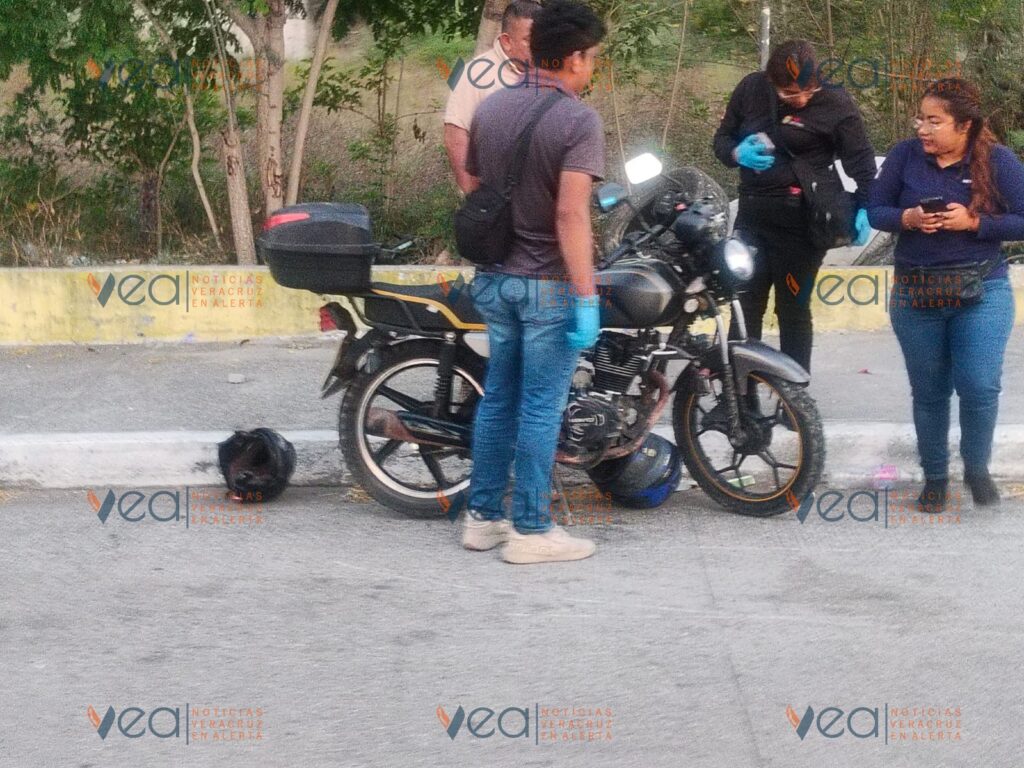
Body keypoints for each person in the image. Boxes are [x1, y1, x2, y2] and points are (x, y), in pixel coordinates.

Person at [459, 0, 606, 564]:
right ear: (573, 57)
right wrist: (587, 296)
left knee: (499, 399)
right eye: (592, 58)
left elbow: (476, 183)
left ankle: (483, 519)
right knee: (541, 407)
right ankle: (532, 530)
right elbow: (570, 216)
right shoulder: (578, 120)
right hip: (547, 285)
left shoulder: (492, 107)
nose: (591, 68)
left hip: (495, 278)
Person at [867, 77, 1024, 511]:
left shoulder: (997, 160)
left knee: (978, 385)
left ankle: (976, 467)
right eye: (920, 119)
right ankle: (935, 476)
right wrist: (909, 218)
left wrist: (976, 223)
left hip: (982, 290)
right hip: (916, 295)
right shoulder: (904, 156)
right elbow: (875, 209)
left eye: (934, 121)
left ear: (964, 125)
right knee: (929, 391)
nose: (923, 128)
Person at [713, 39, 877, 373]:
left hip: (803, 224)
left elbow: (861, 163)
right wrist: (736, 152)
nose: (800, 99)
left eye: (808, 91)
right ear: (771, 81)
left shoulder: (835, 101)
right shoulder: (751, 89)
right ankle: (740, 393)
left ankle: (793, 390)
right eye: (789, 93)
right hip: (753, 218)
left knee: (792, 307)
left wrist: (866, 207)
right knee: (745, 305)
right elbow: (722, 139)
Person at [443, 1, 541, 195]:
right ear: (507, 41)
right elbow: (455, 135)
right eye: (529, 39)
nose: (539, 46)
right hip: (495, 197)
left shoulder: (549, 72)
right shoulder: (477, 74)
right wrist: (474, 195)